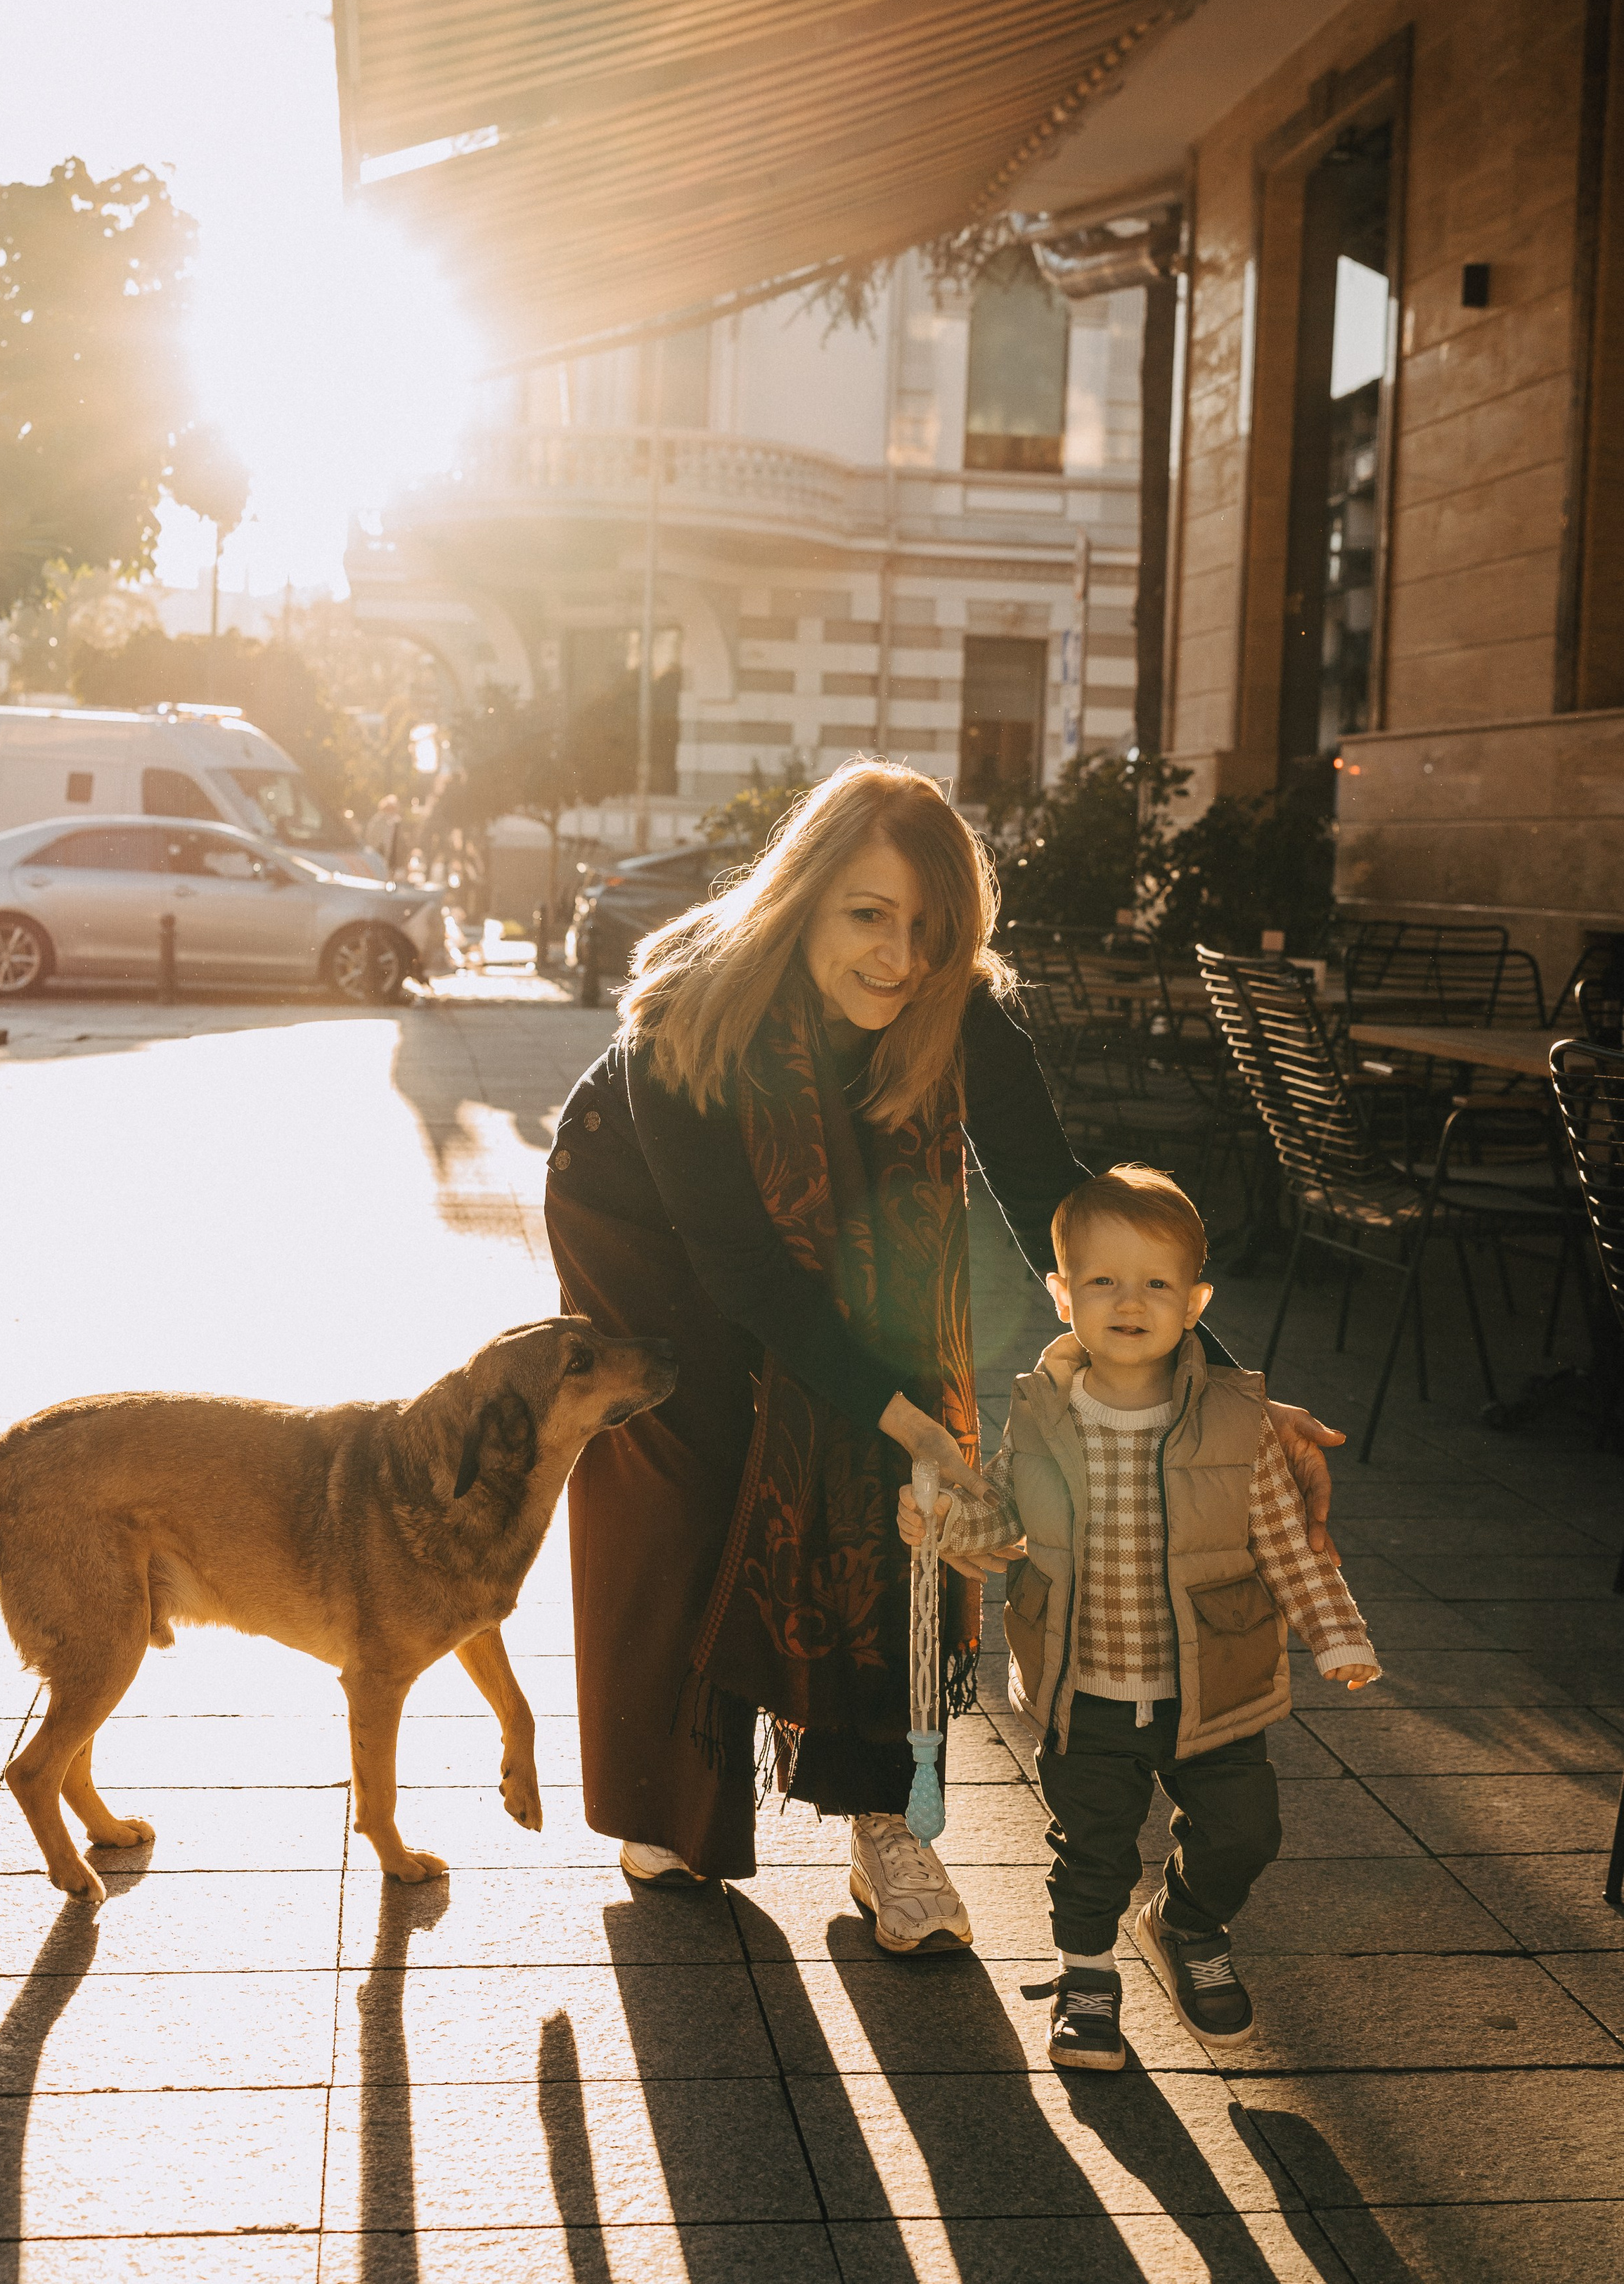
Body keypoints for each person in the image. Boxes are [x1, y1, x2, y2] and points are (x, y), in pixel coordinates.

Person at [542, 760, 1343, 1957]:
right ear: (803, 897)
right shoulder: (689, 1020)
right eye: (868, 915)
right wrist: (905, 1418)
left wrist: (1227, 1393)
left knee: (902, 1483)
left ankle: (887, 1822)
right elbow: (747, 1276)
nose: (899, 959)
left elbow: (1065, 1212)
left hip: (853, 1220)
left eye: (930, 928)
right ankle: (674, 1799)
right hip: (642, 1218)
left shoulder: (956, 1009)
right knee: (700, 1460)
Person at [901, 1162, 1377, 2067]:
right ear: (1061, 1294)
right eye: (1103, 1280)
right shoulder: (1041, 1414)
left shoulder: (1237, 1421)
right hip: (1089, 1690)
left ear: (1195, 1301)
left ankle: (1189, 1923)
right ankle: (1085, 1978)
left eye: (1156, 1282)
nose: (1130, 1301)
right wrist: (947, 1519)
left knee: (1246, 1831)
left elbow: (1284, 1540)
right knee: (1092, 1849)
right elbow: (1003, 1514)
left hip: (1218, 1688)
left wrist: (1335, 1629)